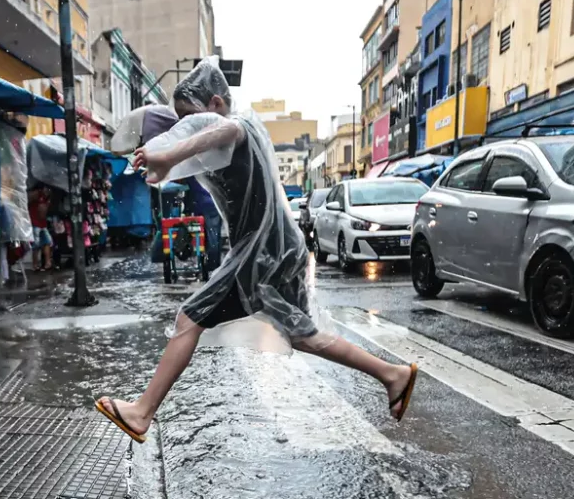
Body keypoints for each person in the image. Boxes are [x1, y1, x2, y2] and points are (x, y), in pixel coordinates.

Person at [95, 58, 418, 443]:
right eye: (181, 122)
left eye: (192, 118)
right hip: (274, 250)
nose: (188, 127)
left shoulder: (239, 125)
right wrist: (165, 157)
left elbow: (225, 130)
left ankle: (142, 412)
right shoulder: (217, 141)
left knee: (188, 319)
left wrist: (169, 154)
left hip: (261, 252)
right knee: (301, 334)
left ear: (215, 103)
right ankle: (393, 375)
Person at [29, 186, 53, 271]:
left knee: (47, 242)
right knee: (36, 245)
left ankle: (47, 262)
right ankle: (35, 264)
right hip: (35, 223)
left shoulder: (47, 198)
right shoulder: (37, 194)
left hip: (42, 224)